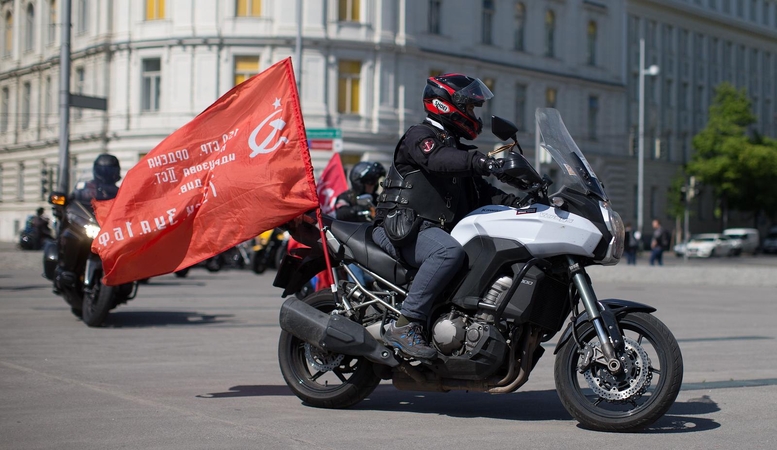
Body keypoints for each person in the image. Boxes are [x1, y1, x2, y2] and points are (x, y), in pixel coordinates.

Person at [372, 73, 523, 359]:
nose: (473, 114)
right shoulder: (421, 136)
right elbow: (437, 160)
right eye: (469, 107)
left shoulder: (455, 148)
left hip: (427, 230)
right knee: (448, 252)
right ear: (444, 105)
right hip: (402, 228)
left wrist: (526, 203)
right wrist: (480, 160)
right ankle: (406, 324)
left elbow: (484, 194)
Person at [56, 154, 122, 290]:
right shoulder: (85, 188)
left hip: (109, 230)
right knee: (70, 235)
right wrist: (64, 201)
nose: (106, 173)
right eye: (103, 170)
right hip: (89, 223)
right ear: (96, 170)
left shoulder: (119, 192)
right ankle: (66, 267)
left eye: (110, 170)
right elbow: (73, 200)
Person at [335, 161, 386, 286]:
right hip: (353, 247)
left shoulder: (377, 199)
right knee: (354, 264)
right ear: (359, 182)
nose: (373, 185)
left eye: (375, 181)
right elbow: (341, 212)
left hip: (373, 245)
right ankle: (358, 294)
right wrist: (356, 211)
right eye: (370, 182)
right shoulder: (347, 197)